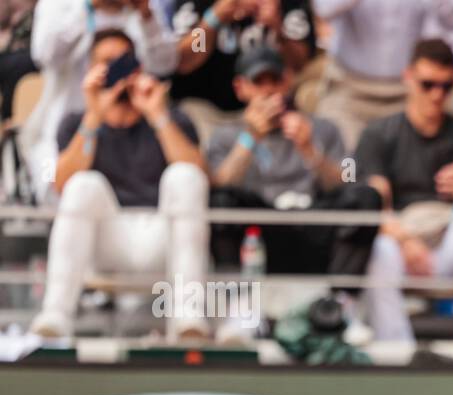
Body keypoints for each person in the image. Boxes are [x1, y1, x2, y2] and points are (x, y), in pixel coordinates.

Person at [30, 28, 209, 342]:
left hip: (162, 236)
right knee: (82, 184)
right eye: (107, 63)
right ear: (91, 70)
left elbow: (200, 175)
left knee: (184, 177)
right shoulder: (75, 122)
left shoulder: (173, 117)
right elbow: (60, 183)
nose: (117, 72)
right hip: (106, 241)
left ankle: (189, 317)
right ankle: (55, 316)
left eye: (123, 63)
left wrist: (157, 115)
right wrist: (95, 114)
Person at [206, 46, 381, 339]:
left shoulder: (322, 129)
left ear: (286, 82)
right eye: (258, 83)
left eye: (274, 81)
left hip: (312, 225)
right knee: (220, 200)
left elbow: (348, 184)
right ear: (240, 88)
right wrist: (250, 138)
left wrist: (311, 152)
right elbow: (221, 183)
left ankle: (339, 306)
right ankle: (241, 308)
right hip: (259, 235)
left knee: (367, 198)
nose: (268, 91)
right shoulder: (225, 135)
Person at [356, 38, 453, 344]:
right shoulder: (378, 133)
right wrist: (405, 239)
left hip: (450, 243)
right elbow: (371, 200)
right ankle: (393, 341)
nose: (437, 95)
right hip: (401, 242)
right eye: (428, 84)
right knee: (378, 244)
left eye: (446, 86)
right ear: (408, 78)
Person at [22, 0, 179, 204]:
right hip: (64, 129)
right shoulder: (57, 3)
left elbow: (166, 64)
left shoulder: (146, 7)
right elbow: (44, 55)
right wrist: (89, 5)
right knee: (55, 189)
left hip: (129, 130)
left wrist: (146, 14)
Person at [312, 0, 453, 151]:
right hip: (350, 92)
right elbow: (323, 10)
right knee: (344, 164)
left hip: (407, 94)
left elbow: (452, 20)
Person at [168, 0, 316, 146]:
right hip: (208, 111)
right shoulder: (198, 4)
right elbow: (184, 61)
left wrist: (277, 28)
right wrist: (213, 19)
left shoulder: (284, 4)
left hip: (272, 104)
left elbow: (299, 64)